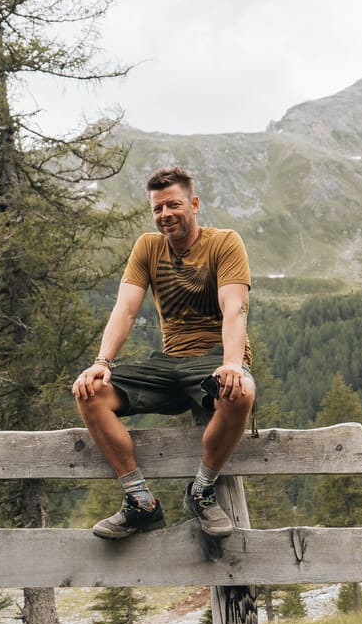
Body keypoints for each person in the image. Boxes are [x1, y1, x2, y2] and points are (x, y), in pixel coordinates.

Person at [73, 166, 255, 539]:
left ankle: (201, 491)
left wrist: (232, 365)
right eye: (158, 208)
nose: (165, 214)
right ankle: (140, 501)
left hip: (215, 358)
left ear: (194, 204)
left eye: (173, 205)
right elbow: (125, 310)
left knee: (240, 392)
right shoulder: (148, 247)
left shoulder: (225, 243)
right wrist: (101, 363)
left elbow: (235, 308)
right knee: (90, 392)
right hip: (169, 364)